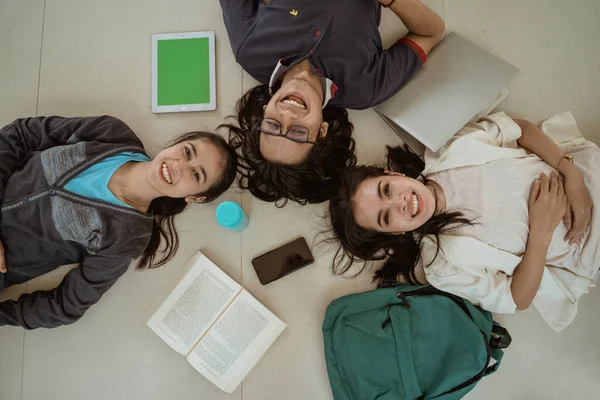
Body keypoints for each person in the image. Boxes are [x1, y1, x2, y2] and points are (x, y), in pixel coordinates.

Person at [328, 111, 598, 332]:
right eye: (386, 217)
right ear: (396, 233)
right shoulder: (443, 268)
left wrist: (569, 171)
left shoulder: (453, 148)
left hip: (588, 173)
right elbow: (517, 298)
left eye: (386, 189)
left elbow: (520, 129)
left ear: (391, 173)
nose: (400, 202)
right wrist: (541, 232)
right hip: (590, 247)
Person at [0, 115, 237, 329]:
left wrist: (5, 315)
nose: (178, 166)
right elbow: (20, 133)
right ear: (178, 143)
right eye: (187, 152)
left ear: (194, 197)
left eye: (196, 175)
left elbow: (66, 306)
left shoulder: (127, 236)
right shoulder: (112, 134)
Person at [219, 0, 445, 205]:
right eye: (298, 133)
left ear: (264, 111)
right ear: (321, 131)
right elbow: (431, 33)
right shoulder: (365, 88)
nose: (287, 116)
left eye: (272, 127)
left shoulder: (250, 50)